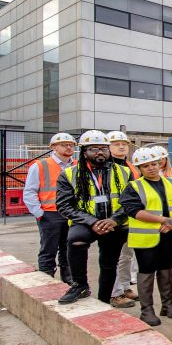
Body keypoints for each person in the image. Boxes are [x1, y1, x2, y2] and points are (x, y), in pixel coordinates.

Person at [55, 131, 132, 307]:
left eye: (104, 148)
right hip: (85, 223)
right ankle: (80, 285)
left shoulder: (124, 172)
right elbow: (64, 205)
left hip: (114, 224)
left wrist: (114, 220)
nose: (100, 152)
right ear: (84, 152)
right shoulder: (69, 174)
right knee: (75, 240)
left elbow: (132, 201)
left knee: (109, 262)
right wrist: (92, 222)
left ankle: (104, 299)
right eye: (94, 149)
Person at [120, 147, 172, 326]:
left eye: (153, 164)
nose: (150, 168)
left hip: (170, 235)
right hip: (146, 238)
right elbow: (134, 210)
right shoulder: (134, 187)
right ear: (139, 169)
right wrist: (164, 220)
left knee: (166, 269)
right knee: (147, 272)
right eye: (145, 166)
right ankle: (147, 310)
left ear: (160, 163)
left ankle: (167, 305)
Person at [23, 132, 76, 284]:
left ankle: (69, 279)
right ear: (53, 147)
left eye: (71, 145)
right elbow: (30, 191)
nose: (68, 147)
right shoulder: (40, 165)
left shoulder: (77, 165)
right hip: (50, 214)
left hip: (72, 214)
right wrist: (39, 213)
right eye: (64, 144)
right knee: (48, 249)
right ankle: (46, 279)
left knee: (69, 249)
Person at [107, 131, 139, 304]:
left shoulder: (132, 168)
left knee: (126, 257)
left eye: (124, 144)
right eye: (116, 144)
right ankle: (115, 293)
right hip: (112, 220)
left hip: (129, 219)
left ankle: (125, 287)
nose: (121, 146)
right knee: (113, 258)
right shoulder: (104, 167)